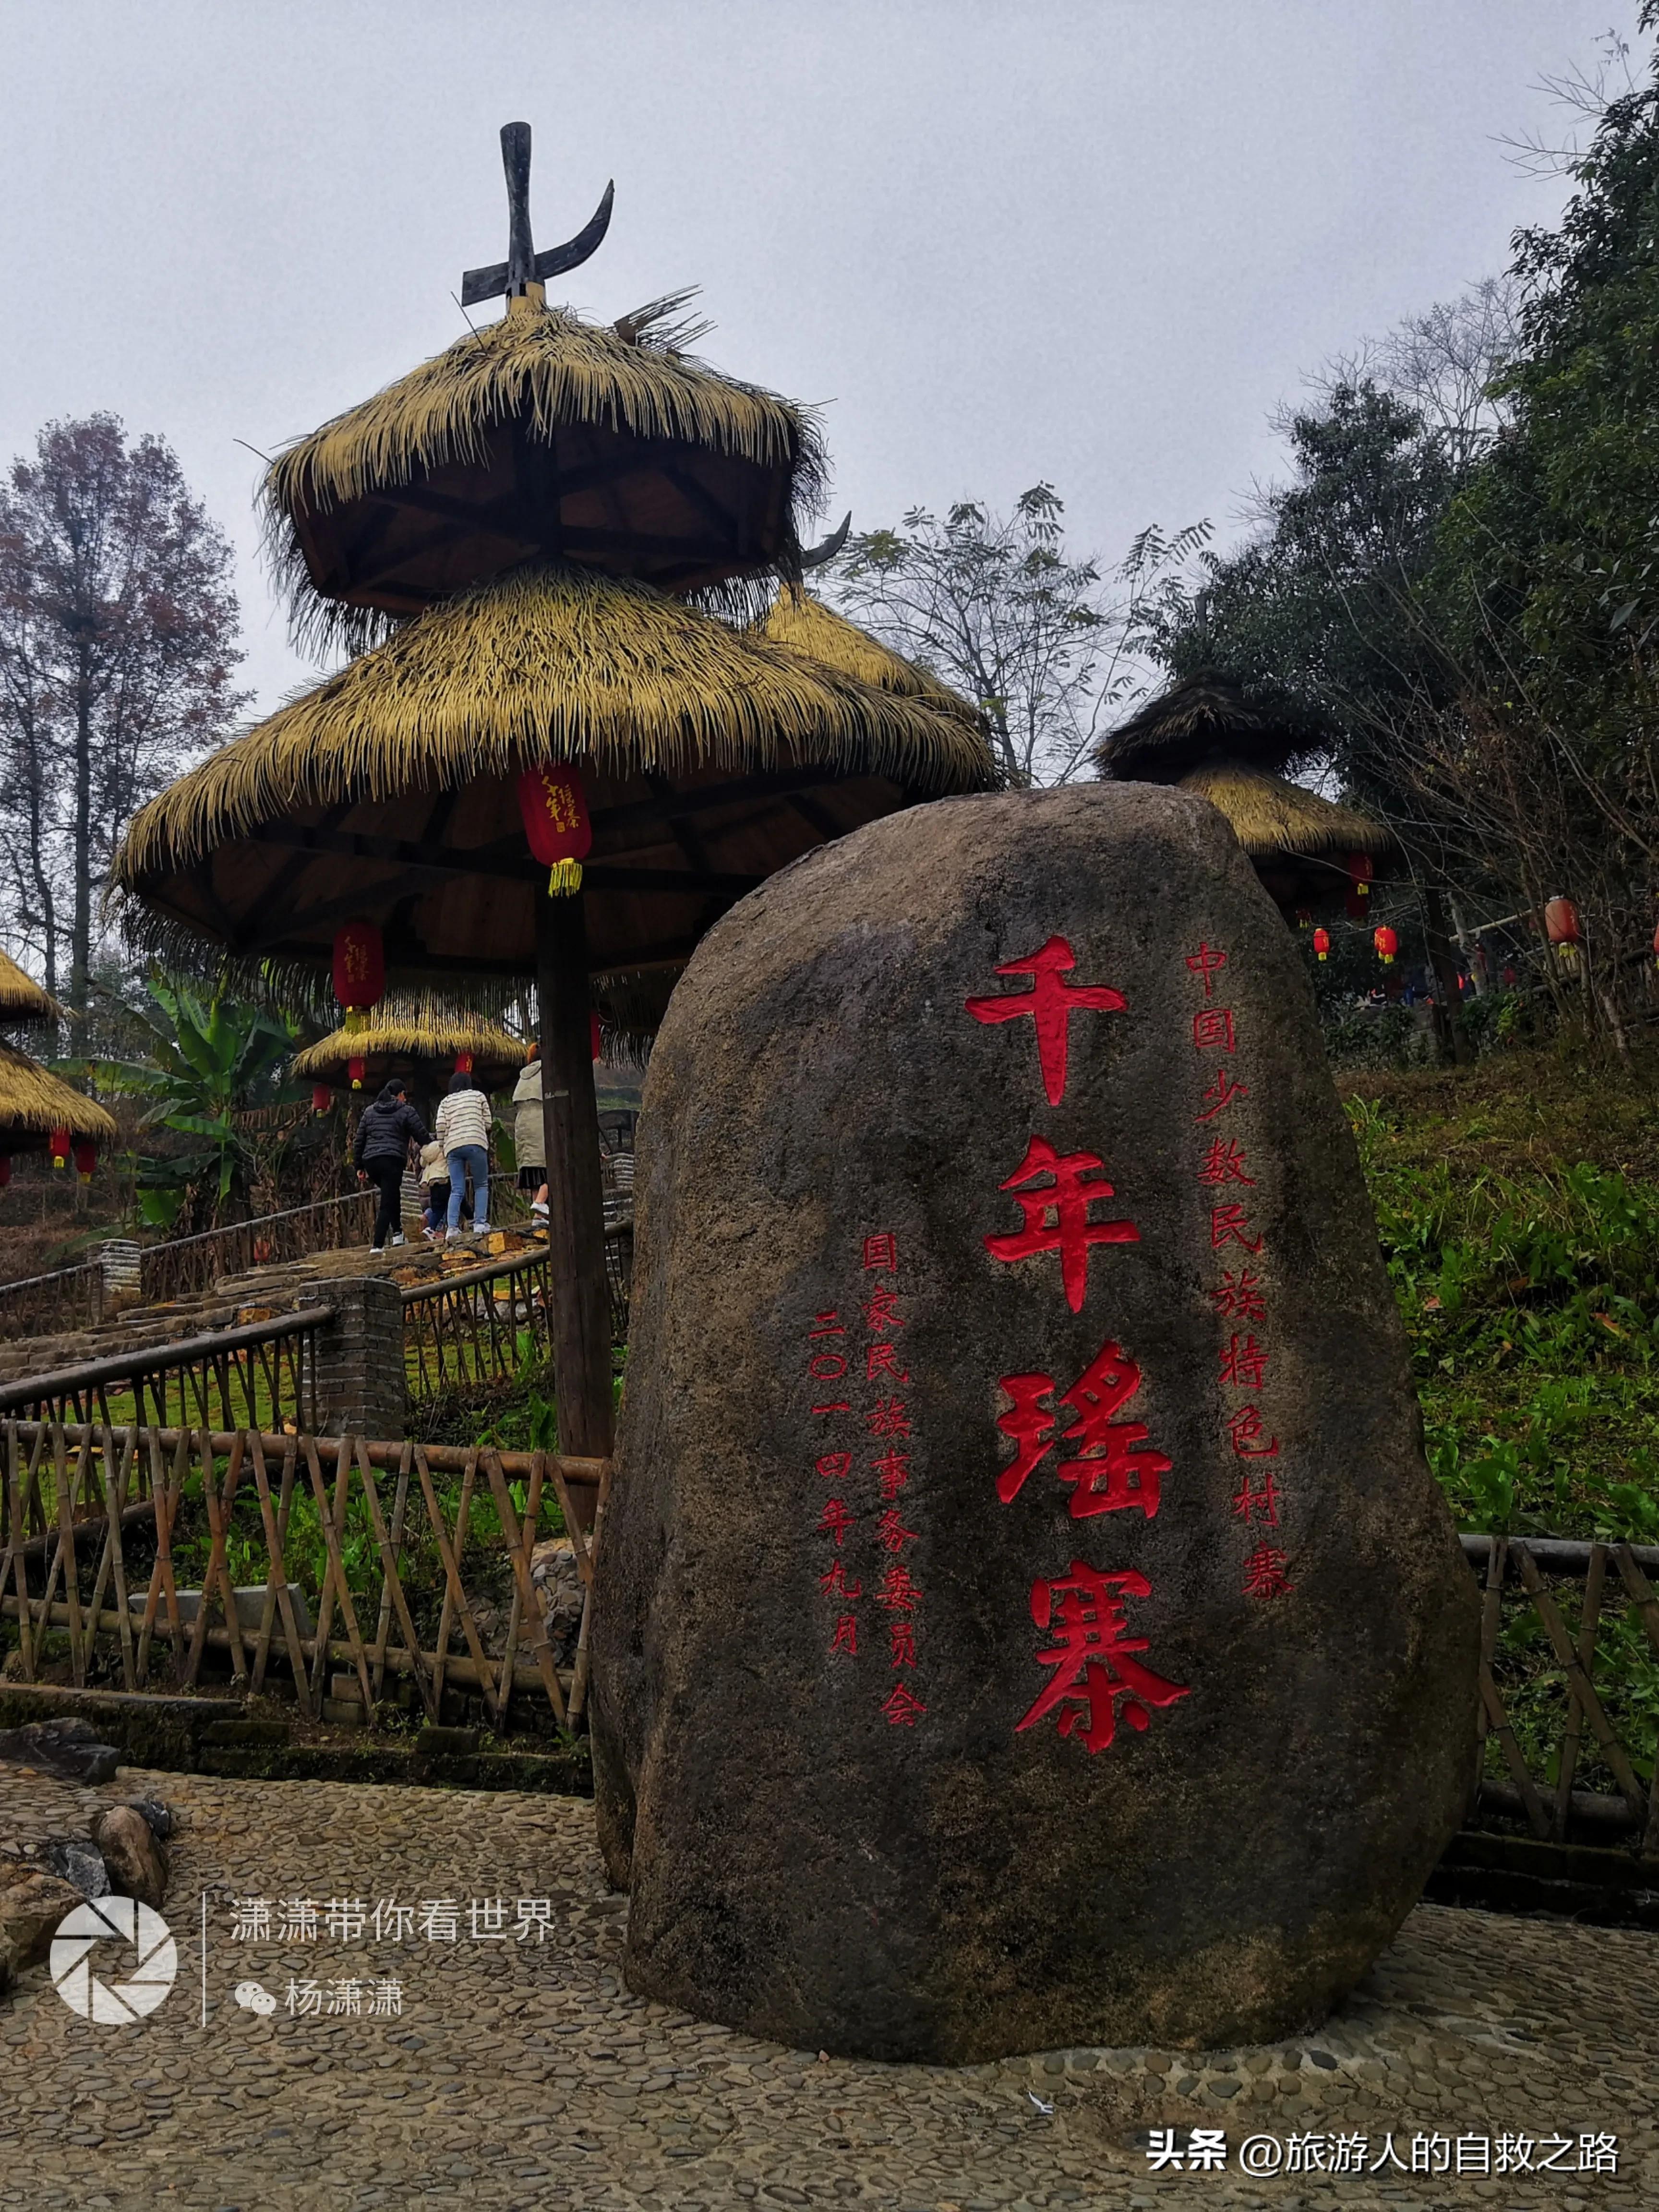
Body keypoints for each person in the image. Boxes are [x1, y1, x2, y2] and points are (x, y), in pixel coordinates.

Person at [352, 1080, 429, 1255]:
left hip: (372, 1162)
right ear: (401, 1094)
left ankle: (397, 1234)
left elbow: (359, 1141)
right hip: (392, 1160)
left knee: (391, 1194)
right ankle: (377, 1245)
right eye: (405, 1095)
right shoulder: (406, 1111)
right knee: (387, 1202)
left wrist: (359, 1166)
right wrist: (433, 1148)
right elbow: (421, 1134)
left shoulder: (370, 1112)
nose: (406, 1099)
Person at [435, 1070, 492, 1237]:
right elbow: (488, 1123)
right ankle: (480, 1223)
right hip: (476, 1141)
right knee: (481, 1185)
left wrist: (442, 1146)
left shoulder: (445, 1102)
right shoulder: (479, 1096)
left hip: (453, 1146)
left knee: (457, 1189)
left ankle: (452, 1228)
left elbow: (440, 1127)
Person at [511, 1046, 550, 1223]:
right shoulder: (548, 1071)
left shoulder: (523, 1076)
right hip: (540, 1121)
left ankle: (539, 1216)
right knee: (554, 1167)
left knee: (534, 1170)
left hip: (522, 1124)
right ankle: (541, 1202)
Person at [417, 1136, 449, 1242]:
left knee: (437, 1207)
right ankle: (433, 1229)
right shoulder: (440, 1146)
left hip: (428, 1185)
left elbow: (422, 1163)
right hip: (442, 1180)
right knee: (442, 1207)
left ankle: (427, 1219)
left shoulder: (427, 1157)